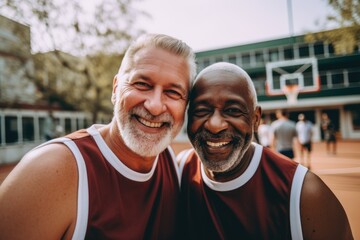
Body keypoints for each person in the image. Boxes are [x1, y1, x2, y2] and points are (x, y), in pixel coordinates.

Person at [0, 33, 196, 239]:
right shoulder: (52, 170)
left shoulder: (172, 166)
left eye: (173, 92)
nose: (155, 106)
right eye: (142, 84)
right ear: (115, 89)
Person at [178, 62, 353, 239]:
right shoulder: (178, 170)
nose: (215, 125)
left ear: (255, 119)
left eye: (232, 110)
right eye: (201, 111)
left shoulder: (303, 193)